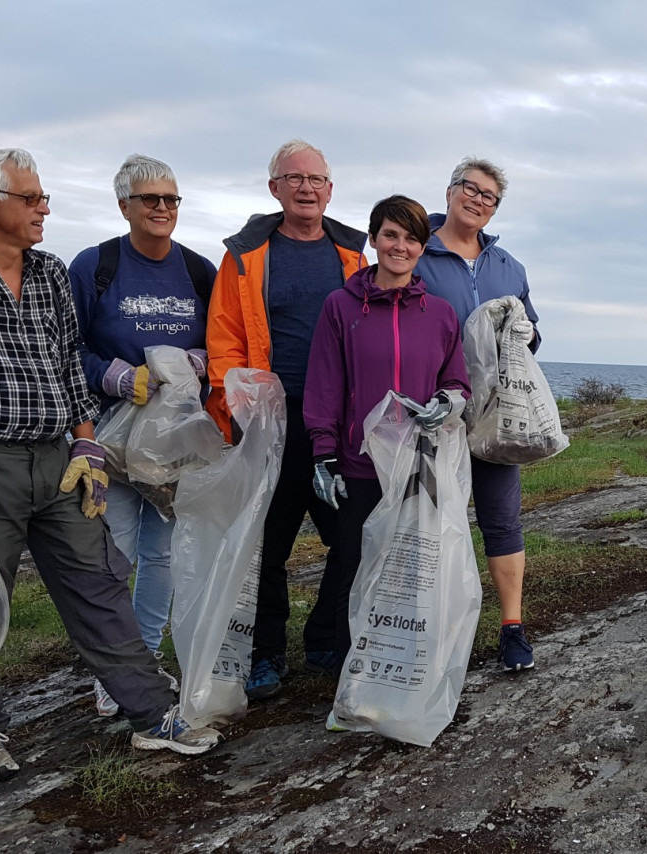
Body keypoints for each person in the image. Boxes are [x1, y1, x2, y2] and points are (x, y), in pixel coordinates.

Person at [0, 148, 221, 784]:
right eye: (32, 197)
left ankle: (152, 715)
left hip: (60, 459)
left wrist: (88, 444)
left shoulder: (46, 274)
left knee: (97, 583)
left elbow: (71, 368)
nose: (45, 207)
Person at [204, 139, 368, 699]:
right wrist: (238, 412)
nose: (306, 188)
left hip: (334, 424)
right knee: (267, 547)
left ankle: (327, 637)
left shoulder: (352, 255)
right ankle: (265, 653)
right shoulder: (246, 255)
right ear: (273, 188)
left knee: (350, 537)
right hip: (268, 424)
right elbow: (223, 339)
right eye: (293, 178)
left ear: (329, 190)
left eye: (316, 179)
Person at [69, 154, 217, 716]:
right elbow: (65, 346)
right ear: (124, 205)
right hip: (111, 438)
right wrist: (111, 374)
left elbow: (224, 340)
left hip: (174, 442)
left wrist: (197, 362)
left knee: (163, 556)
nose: (162, 209)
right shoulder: (96, 265)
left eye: (171, 199)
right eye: (150, 199)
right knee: (115, 553)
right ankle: (114, 667)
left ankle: (145, 660)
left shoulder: (199, 270)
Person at [301, 195, 471, 675]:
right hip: (360, 466)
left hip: (419, 467)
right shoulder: (341, 306)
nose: (400, 245)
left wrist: (448, 403)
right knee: (354, 566)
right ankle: (349, 673)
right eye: (390, 235)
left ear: (423, 247)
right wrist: (324, 454)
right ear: (373, 239)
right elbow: (325, 385)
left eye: (411, 238)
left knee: (412, 572)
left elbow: (457, 382)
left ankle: (404, 670)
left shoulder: (439, 314)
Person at [415, 158, 541, 670]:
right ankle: (436, 629)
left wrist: (528, 332)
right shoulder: (415, 251)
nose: (478, 200)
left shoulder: (510, 267)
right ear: (449, 192)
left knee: (502, 520)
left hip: (493, 415)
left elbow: (532, 334)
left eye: (490, 196)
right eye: (470, 188)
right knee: (431, 522)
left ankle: (512, 628)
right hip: (434, 412)